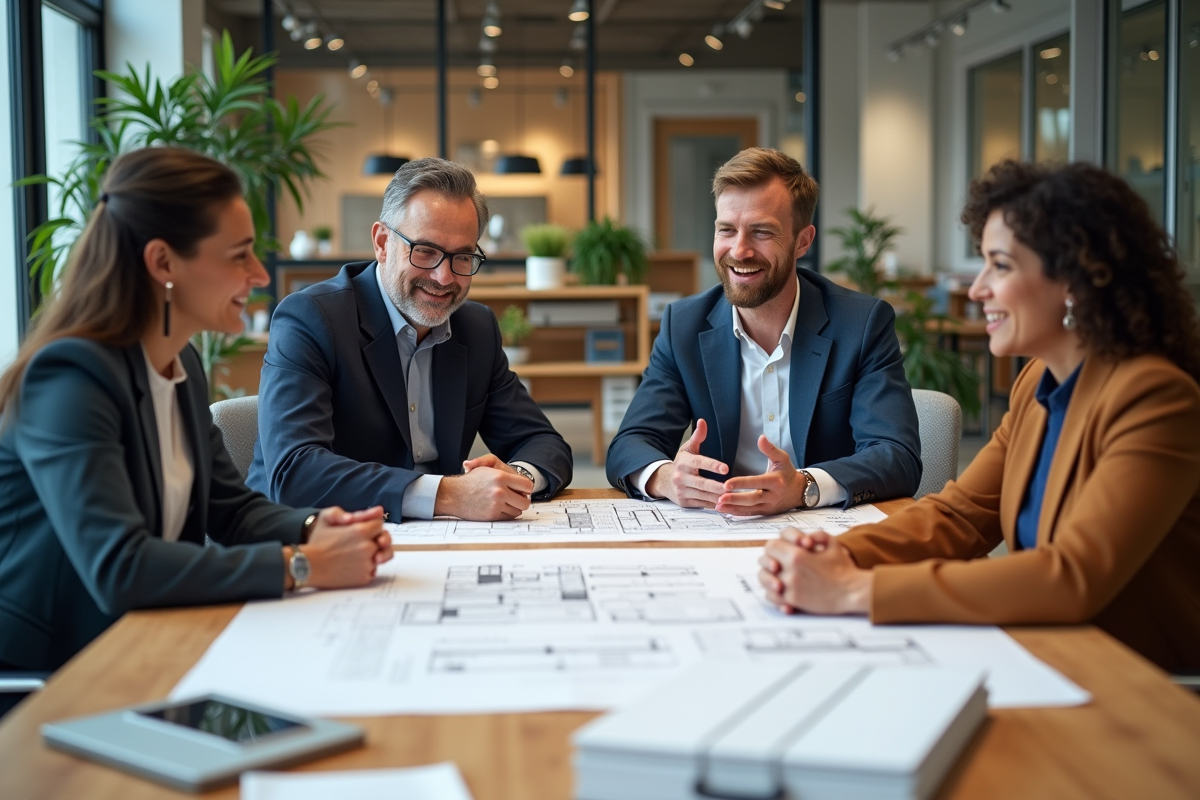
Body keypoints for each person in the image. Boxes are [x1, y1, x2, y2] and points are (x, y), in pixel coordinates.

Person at [759, 160, 1200, 672]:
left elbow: (1071, 577)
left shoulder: (1156, 397)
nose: (977, 289)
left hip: (1138, 685)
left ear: (1076, 279)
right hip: (1051, 656)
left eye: (1001, 266)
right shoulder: (1039, 383)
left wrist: (859, 589)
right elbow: (961, 516)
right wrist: (838, 553)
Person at [0, 147, 392, 699]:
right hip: (55, 679)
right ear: (162, 263)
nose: (258, 275)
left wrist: (314, 529)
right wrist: (303, 566)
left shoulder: (179, 362)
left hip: (151, 643)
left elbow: (232, 510)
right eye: (239, 256)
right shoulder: (68, 378)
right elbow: (121, 567)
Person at [246, 158, 572, 521]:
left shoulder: (476, 328)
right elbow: (293, 472)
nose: (444, 277)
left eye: (462, 256)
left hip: (435, 541)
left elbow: (545, 444)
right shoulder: (311, 319)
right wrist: (447, 494)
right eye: (426, 251)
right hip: (310, 541)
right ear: (382, 243)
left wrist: (518, 478)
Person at [606, 147, 921, 515]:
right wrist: (666, 477)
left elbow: (896, 455)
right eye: (726, 230)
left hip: (823, 534)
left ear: (802, 241)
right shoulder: (684, 325)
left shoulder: (862, 324)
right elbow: (631, 443)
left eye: (761, 232)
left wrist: (803, 487)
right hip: (717, 534)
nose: (739, 251)